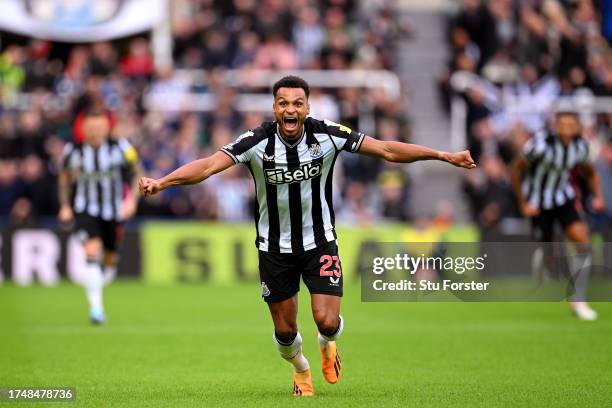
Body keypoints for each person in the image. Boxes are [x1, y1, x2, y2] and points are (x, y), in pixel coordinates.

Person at [139, 76, 475, 396]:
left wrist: (442, 155)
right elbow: (209, 165)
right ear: (274, 109)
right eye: (283, 103)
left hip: (320, 242)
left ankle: (328, 345)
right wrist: (163, 182)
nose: (290, 109)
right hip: (274, 248)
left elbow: (386, 149)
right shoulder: (255, 141)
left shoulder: (327, 135)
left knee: (326, 321)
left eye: (297, 103)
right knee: (285, 333)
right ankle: (300, 368)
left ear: (308, 108)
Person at [511, 107, 605, 321]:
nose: (566, 129)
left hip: (563, 199)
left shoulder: (580, 145)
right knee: (550, 256)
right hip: (538, 202)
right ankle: (543, 259)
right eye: (562, 124)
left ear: (577, 127)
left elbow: (589, 172)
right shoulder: (540, 145)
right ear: (556, 125)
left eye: (571, 125)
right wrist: (524, 203)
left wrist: (598, 196)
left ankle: (577, 300)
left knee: (582, 242)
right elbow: (515, 170)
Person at [58, 107, 140, 324]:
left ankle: (99, 281)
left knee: (110, 258)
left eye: (100, 127)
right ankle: (96, 309)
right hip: (86, 210)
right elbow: (64, 178)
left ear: (106, 127)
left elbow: (136, 171)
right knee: (92, 251)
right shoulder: (73, 151)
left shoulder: (121, 147)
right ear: (84, 128)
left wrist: (131, 199)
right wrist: (65, 205)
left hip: (114, 211)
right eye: (91, 127)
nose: (95, 131)